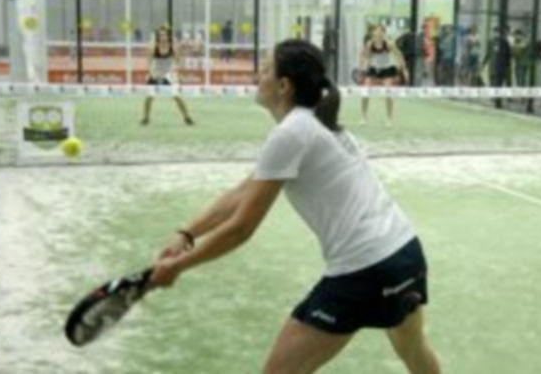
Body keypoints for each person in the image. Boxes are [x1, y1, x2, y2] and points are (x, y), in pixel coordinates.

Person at [149, 39, 440, 374]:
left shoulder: (291, 133)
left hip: (363, 269)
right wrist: (187, 233)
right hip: (405, 254)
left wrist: (179, 266)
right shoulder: (316, 122)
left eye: (266, 69)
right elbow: (243, 191)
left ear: (284, 86)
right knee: (416, 354)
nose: (259, 75)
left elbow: (242, 227)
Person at [140, 26, 194, 126]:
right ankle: (146, 118)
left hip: (169, 74)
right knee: (149, 97)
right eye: (160, 35)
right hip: (156, 73)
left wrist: (174, 72)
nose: (163, 37)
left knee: (176, 96)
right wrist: (151, 73)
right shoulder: (154, 47)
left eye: (165, 35)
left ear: (168, 36)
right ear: (157, 36)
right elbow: (149, 62)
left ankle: (187, 117)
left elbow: (179, 61)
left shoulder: (172, 46)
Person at [359, 24, 408, 126]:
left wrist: (404, 69)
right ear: (373, 33)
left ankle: (389, 119)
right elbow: (365, 56)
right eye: (376, 31)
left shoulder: (389, 44)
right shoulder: (369, 44)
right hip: (374, 70)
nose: (378, 33)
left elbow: (399, 55)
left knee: (388, 92)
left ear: (383, 33)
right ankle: (363, 117)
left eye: (380, 31)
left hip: (387, 70)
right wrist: (363, 66)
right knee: (365, 91)